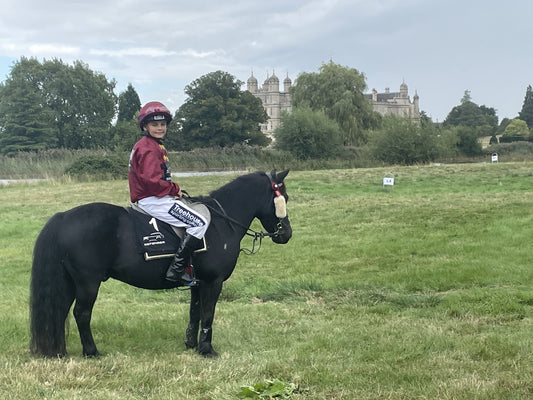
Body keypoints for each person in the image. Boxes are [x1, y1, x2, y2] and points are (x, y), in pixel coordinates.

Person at [128, 101, 209, 286]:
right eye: (155, 124)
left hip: (155, 197)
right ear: (145, 126)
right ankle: (177, 269)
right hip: (153, 200)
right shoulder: (148, 147)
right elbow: (152, 182)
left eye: (162, 124)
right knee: (199, 222)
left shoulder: (153, 145)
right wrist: (174, 189)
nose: (159, 128)